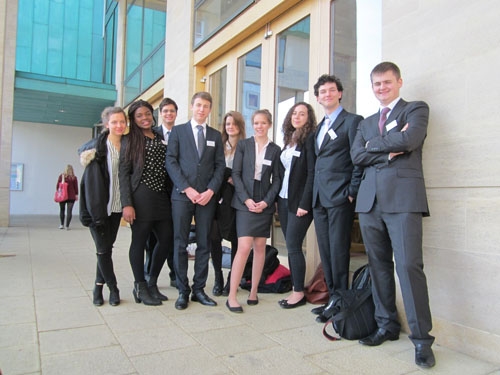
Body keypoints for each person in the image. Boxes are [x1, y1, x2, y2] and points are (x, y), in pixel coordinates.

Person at [351, 61, 435, 368]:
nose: (382, 88)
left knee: (410, 267)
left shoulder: (415, 110)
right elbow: (357, 155)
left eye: (387, 82)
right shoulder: (366, 122)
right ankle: (386, 325)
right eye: (377, 84)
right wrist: (385, 150)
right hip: (370, 203)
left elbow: (410, 140)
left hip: (403, 201)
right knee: (379, 266)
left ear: (399, 82)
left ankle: (422, 340)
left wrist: (375, 148)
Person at [165, 92, 226, 310]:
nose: (202, 109)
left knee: (204, 243)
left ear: (210, 109)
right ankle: (183, 290)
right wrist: (186, 188)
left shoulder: (215, 135)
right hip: (183, 196)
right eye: (198, 105)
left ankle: (199, 289)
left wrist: (211, 190)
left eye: (206, 106)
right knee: (180, 243)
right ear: (192, 106)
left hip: (207, 198)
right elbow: (171, 161)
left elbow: (220, 166)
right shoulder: (179, 132)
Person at [311, 74, 363, 322]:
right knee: (327, 253)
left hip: (340, 198)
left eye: (332, 90)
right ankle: (332, 299)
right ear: (318, 97)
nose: (327, 94)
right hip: (320, 200)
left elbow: (358, 160)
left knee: (339, 252)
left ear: (340, 93)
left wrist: (351, 193)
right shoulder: (319, 128)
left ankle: (342, 304)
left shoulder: (352, 122)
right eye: (323, 91)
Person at [226, 109, 281, 313]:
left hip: (264, 200)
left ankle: (253, 291)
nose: (259, 126)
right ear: (252, 125)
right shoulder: (243, 145)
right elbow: (236, 174)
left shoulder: (275, 150)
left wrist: (266, 202)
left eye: (263, 123)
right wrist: (247, 199)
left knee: (260, 247)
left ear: (269, 125)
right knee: (244, 246)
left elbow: (277, 180)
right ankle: (232, 296)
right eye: (256, 123)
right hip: (244, 199)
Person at [120, 99, 174, 306]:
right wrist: (127, 203)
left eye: (147, 114)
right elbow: (123, 174)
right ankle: (140, 285)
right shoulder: (130, 140)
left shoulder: (160, 136)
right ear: (133, 119)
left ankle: (152, 282)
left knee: (166, 239)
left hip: (162, 196)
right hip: (141, 195)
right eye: (139, 115)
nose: (145, 118)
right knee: (140, 242)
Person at [79, 106, 127, 306]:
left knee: (106, 249)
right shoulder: (95, 150)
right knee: (103, 250)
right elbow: (90, 186)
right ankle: (113, 288)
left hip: (116, 208)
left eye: (122, 122)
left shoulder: (127, 146)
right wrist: (95, 213)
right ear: (107, 125)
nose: (118, 125)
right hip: (98, 209)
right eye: (114, 122)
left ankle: (97, 286)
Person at [276, 102, 317, 309]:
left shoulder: (309, 140)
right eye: (294, 113)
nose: (297, 116)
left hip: (299, 203)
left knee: (293, 245)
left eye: (302, 114)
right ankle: (296, 286)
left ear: (309, 118)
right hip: (284, 200)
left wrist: (305, 203)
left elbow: (311, 174)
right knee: (292, 246)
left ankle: (298, 292)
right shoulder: (289, 140)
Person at [210, 111, 246, 297]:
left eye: (233, 123)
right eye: (227, 123)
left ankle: (233, 278)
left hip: (235, 198)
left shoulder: (246, 146)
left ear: (240, 126)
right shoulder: (218, 144)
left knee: (234, 239)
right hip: (217, 195)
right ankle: (218, 277)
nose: (230, 127)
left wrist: (236, 178)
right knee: (214, 237)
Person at [144, 97, 178, 288]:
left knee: (170, 236)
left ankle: (174, 274)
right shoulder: (152, 133)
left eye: (172, 111)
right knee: (151, 239)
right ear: (160, 113)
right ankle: (149, 273)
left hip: (174, 193)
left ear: (176, 113)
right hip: (154, 192)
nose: (168, 114)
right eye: (165, 111)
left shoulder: (182, 133)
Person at [56, 164, 78, 230]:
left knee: (62, 210)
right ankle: (67, 226)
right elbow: (76, 187)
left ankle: (61, 224)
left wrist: (59, 192)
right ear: (72, 170)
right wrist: (76, 194)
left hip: (62, 196)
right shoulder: (74, 178)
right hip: (71, 197)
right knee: (69, 211)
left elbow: (58, 186)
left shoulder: (61, 176)